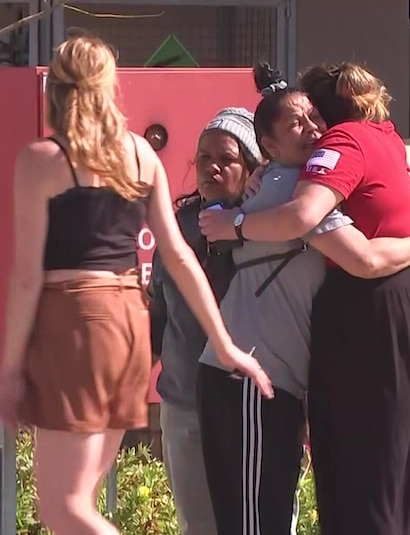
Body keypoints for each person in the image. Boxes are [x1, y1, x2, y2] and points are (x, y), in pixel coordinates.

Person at [0, 33, 272, 535]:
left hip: (75, 319)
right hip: (128, 319)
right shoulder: (141, 155)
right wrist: (225, 343)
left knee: (64, 508)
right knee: (83, 503)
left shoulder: (42, 159)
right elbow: (181, 257)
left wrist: (11, 366)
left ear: (56, 90)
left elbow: (27, 275)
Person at [198, 62, 410, 535]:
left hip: (286, 375)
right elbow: (356, 253)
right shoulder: (303, 178)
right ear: (269, 148)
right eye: (297, 122)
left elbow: (359, 249)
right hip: (255, 376)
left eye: (314, 117)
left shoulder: (333, 161)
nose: (313, 129)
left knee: (345, 501)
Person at [148, 107, 263, 535]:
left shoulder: (268, 227)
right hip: (183, 401)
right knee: (198, 525)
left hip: (247, 403)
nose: (211, 166)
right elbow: (157, 312)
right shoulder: (176, 229)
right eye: (202, 157)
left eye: (226, 158)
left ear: (251, 168)